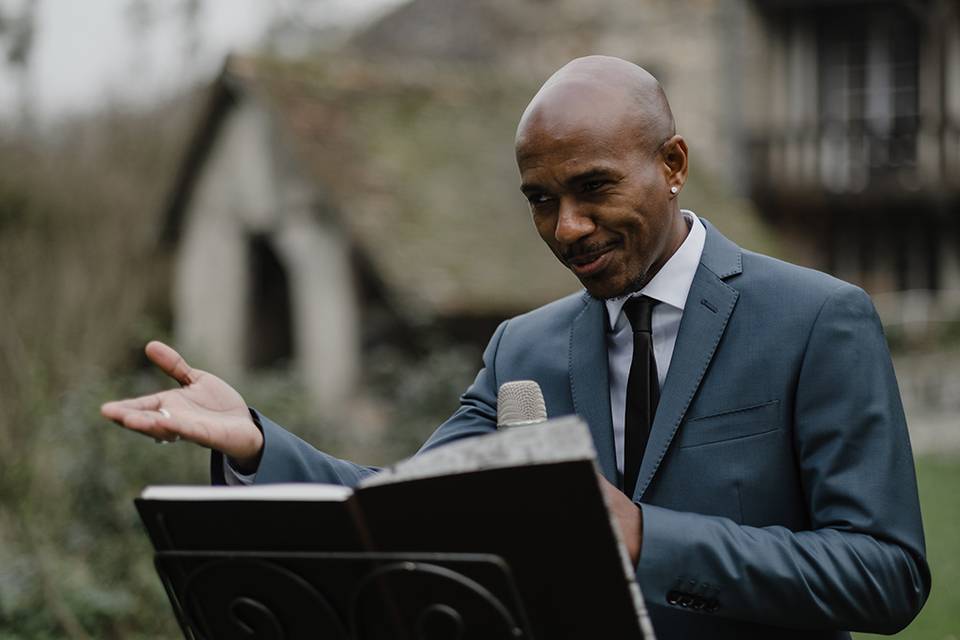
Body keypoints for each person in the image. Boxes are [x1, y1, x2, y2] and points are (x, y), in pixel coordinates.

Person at [102, 56, 930, 638]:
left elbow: (885, 573)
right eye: (541, 200)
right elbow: (400, 507)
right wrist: (255, 436)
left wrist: (648, 536)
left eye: (593, 187)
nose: (566, 227)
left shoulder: (818, 320)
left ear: (672, 163)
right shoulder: (520, 349)